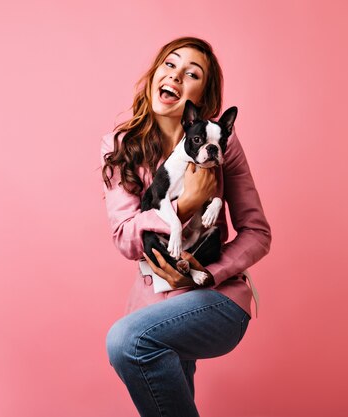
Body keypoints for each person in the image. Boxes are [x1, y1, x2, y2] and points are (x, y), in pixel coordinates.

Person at [101, 36, 271, 417]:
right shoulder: (120, 145)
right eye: (170, 64)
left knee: (127, 341)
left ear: (202, 97)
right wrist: (186, 203)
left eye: (191, 73)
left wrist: (206, 274)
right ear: (155, 74)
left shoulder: (222, 145)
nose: (176, 75)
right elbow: (126, 238)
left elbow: (258, 233)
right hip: (153, 301)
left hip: (216, 296)